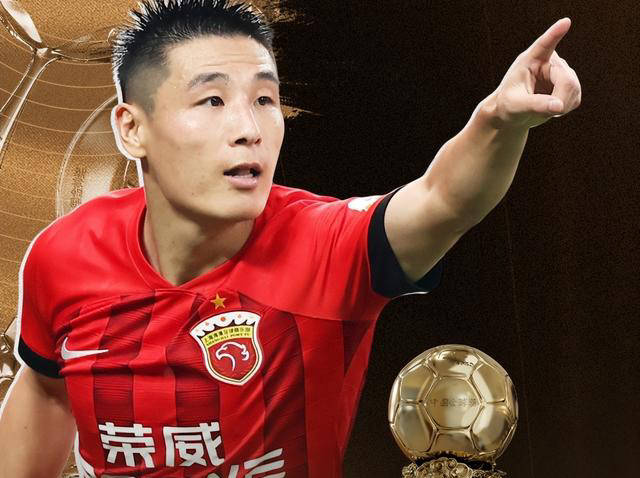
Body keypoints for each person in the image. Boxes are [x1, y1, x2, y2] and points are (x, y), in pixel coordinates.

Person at [0, 0, 581, 476]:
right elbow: (47, 392)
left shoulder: (326, 246)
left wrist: (499, 120)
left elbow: (442, 200)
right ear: (132, 128)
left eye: (265, 99)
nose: (249, 129)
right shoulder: (64, 253)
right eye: (212, 100)